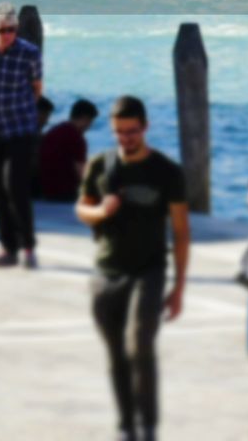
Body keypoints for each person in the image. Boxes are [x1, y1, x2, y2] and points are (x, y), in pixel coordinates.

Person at [76, 96, 189, 441]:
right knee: (116, 353)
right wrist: (101, 212)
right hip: (107, 271)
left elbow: (182, 232)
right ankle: (126, 426)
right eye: (120, 132)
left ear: (145, 127)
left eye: (132, 131)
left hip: (149, 270)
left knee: (139, 344)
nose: (126, 138)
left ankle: (149, 426)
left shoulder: (167, 172)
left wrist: (178, 288)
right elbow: (83, 209)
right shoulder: (101, 166)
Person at [0, 3, 43, 268]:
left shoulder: (29, 53)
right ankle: (8, 247)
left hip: (19, 127)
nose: (8, 34)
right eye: (3, 29)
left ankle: (28, 247)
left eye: (12, 29)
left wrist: (24, 108)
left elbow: (37, 87)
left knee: (15, 187)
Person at [39, 99, 100, 203]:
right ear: (85, 118)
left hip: (45, 190)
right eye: (90, 122)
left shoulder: (55, 130)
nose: (89, 126)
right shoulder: (76, 138)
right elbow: (81, 174)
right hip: (64, 193)